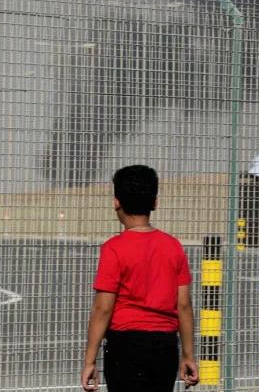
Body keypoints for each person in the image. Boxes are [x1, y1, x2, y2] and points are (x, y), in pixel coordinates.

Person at [80, 165, 200, 392]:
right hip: (165, 345)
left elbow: (102, 309)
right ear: (155, 202)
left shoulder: (113, 249)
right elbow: (183, 305)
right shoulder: (173, 246)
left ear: (116, 202)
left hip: (125, 345)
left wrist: (89, 360)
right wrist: (188, 355)